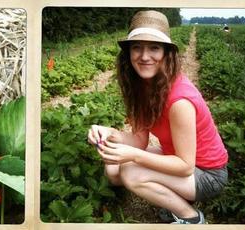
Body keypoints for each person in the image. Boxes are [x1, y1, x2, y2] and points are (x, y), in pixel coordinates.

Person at [87, 10, 228, 224]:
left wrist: (133, 156)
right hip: (178, 158)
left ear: (166, 53)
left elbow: (185, 166)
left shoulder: (179, 100)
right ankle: (177, 195)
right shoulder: (142, 87)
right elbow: (140, 141)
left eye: (154, 47)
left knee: (131, 174)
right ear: (128, 53)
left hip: (208, 174)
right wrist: (109, 134)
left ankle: (190, 218)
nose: (144, 56)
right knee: (114, 171)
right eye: (137, 47)